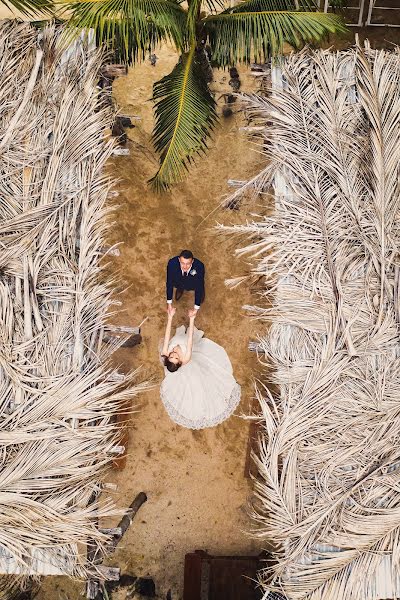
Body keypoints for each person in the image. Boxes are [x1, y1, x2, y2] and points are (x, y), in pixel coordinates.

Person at [160, 308, 241, 429]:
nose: (174, 354)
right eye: (176, 358)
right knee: (199, 387)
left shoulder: (165, 352)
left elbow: (166, 336)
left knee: (170, 343)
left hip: (181, 352)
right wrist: (192, 319)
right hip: (189, 352)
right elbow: (190, 339)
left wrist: (170, 317)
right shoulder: (186, 358)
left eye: (172, 356)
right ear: (180, 362)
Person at [166, 250, 205, 315]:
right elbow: (169, 282)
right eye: (182, 263)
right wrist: (169, 303)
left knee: (199, 286)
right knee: (176, 282)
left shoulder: (199, 266)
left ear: (192, 261)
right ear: (179, 260)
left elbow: (199, 286)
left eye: (188, 263)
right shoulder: (172, 263)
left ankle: (201, 293)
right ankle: (180, 288)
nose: (185, 266)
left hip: (193, 282)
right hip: (178, 280)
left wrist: (196, 308)